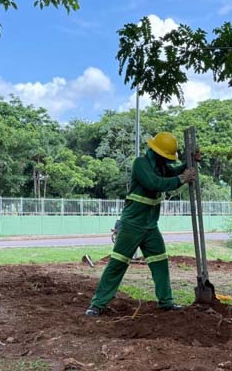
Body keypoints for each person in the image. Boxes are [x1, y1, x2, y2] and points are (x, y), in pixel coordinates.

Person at [85, 131, 199, 317]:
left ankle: (166, 302)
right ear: (157, 152)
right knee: (118, 264)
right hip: (132, 225)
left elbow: (174, 172)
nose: (168, 161)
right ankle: (97, 304)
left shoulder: (161, 167)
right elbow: (155, 183)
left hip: (150, 225)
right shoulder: (140, 164)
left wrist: (191, 162)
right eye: (166, 157)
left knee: (160, 263)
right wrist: (182, 179)